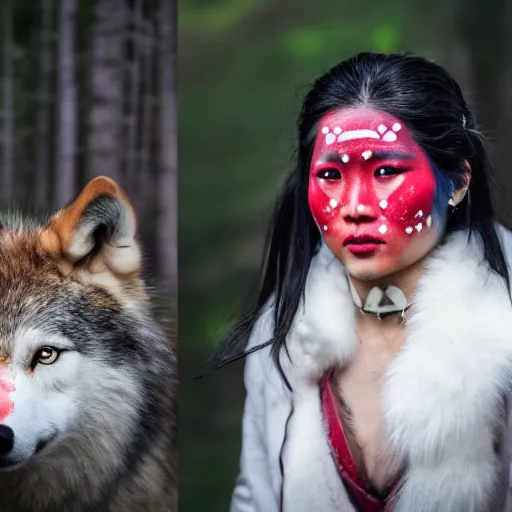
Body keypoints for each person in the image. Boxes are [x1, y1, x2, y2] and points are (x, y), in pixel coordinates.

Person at [210, 52, 512, 512]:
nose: (354, 205)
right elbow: (256, 497)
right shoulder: (283, 333)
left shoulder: (502, 323)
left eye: (386, 171)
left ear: (456, 182)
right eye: (330, 175)